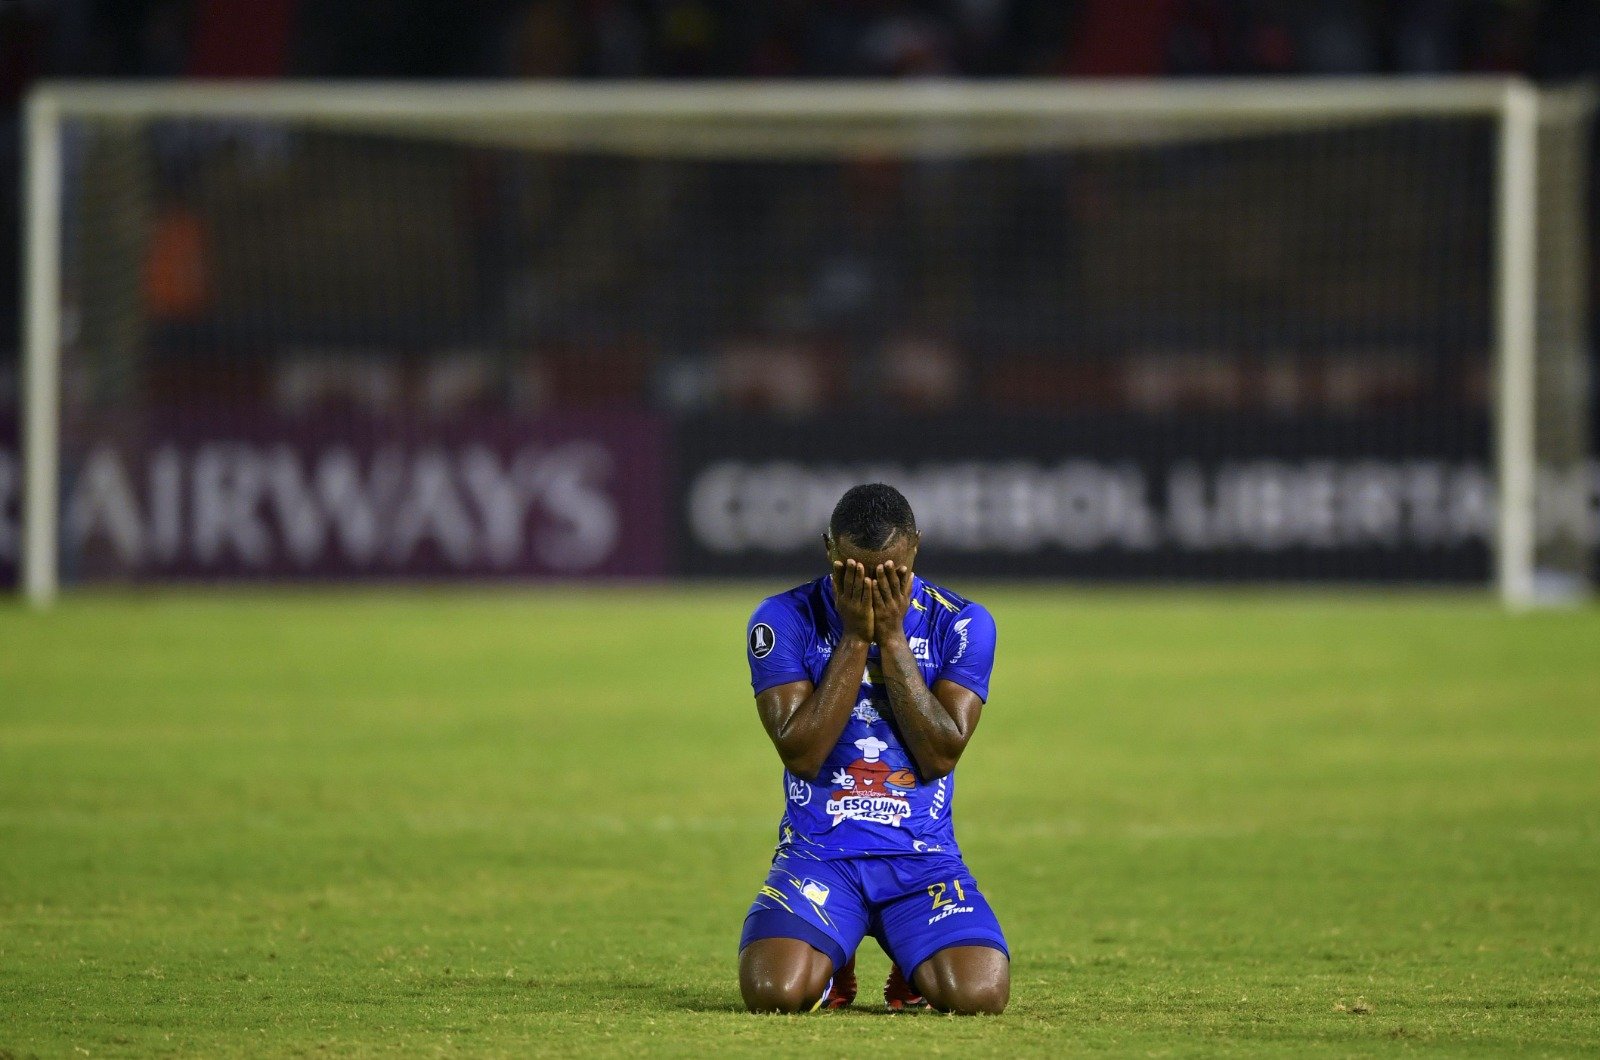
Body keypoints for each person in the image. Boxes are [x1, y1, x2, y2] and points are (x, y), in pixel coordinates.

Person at [738, 483, 1009, 1015]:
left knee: (980, 996)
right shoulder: (783, 619)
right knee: (774, 993)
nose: (870, 587)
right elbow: (802, 753)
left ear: (914, 551)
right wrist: (857, 636)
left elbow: (940, 755)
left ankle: (910, 960)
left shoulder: (962, 623)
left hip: (922, 862)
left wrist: (891, 639)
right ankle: (835, 958)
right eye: (853, 572)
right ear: (828, 550)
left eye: (890, 575)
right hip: (820, 857)